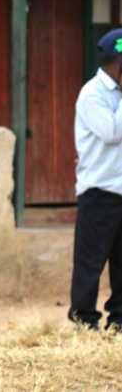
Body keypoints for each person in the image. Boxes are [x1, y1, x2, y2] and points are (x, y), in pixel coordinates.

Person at [69, 28, 122, 331]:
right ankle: (84, 320)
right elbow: (111, 133)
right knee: (90, 261)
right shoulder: (92, 94)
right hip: (99, 191)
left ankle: (119, 320)